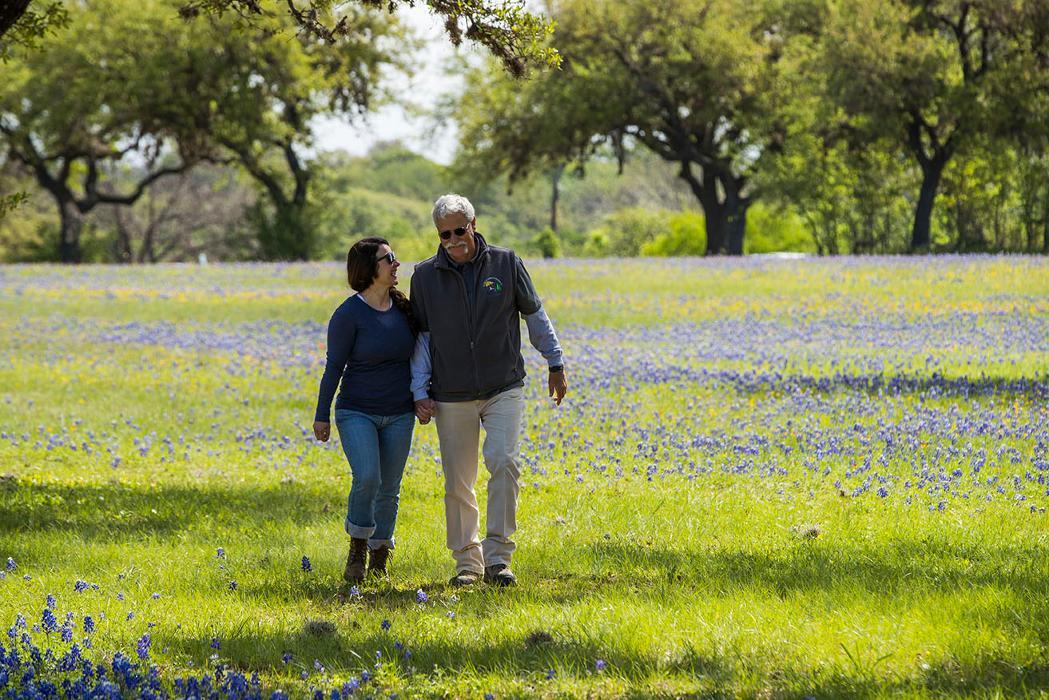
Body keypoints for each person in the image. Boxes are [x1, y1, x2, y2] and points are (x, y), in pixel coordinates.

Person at [410, 193, 568, 587]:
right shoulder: (425, 276)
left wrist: (555, 361)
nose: (452, 240)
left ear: (474, 224)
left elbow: (535, 314)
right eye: (444, 234)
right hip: (451, 392)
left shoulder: (506, 262)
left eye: (459, 230)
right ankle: (467, 562)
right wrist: (419, 390)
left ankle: (498, 557)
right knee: (458, 480)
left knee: (504, 462)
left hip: (503, 386)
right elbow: (423, 340)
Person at [314, 237, 418, 584]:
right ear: (369, 269)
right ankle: (357, 547)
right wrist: (321, 413)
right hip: (357, 410)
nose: (396, 263)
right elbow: (334, 368)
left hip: (400, 412)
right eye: (389, 258)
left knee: (390, 487)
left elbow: (423, 358)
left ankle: (379, 556)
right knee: (368, 477)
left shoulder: (404, 310)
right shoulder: (348, 315)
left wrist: (425, 396)